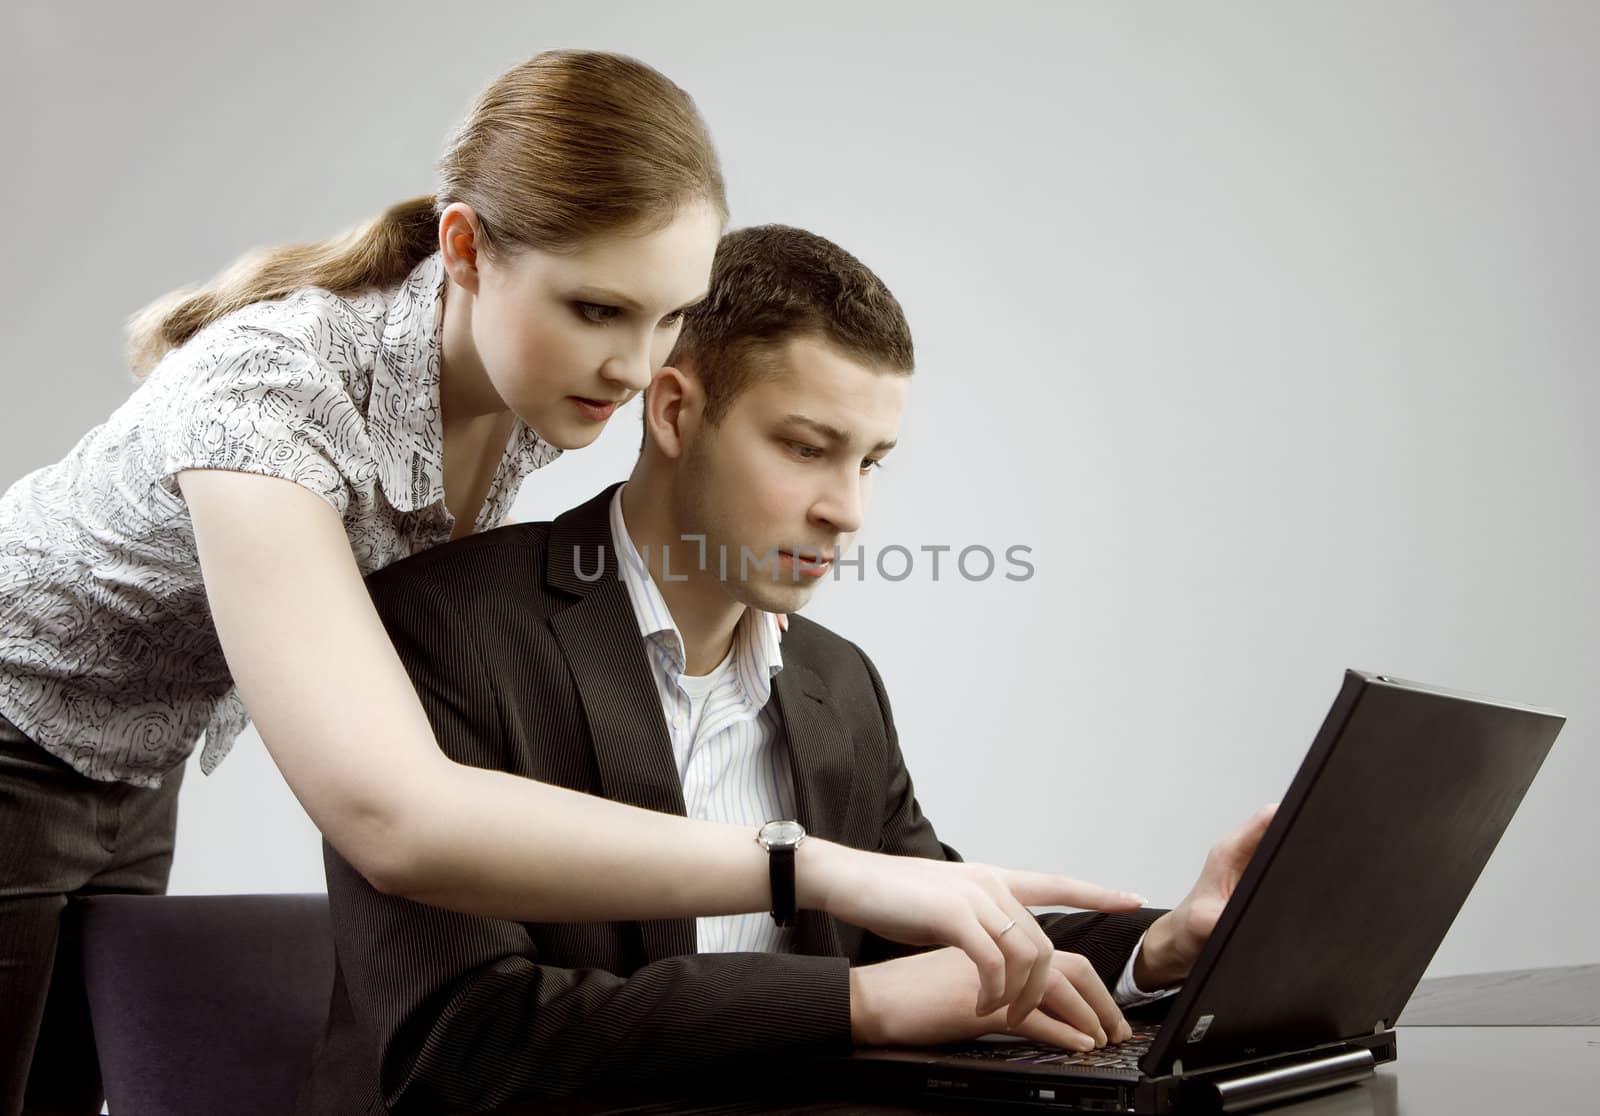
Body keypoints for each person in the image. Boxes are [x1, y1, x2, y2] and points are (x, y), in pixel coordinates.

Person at [0, 51, 1142, 1116]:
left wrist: (1158, 943)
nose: (638, 368)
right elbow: (394, 816)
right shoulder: (267, 397)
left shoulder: (533, 383)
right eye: (598, 309)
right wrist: (815, 870)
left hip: (129, 760)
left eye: (668, 316)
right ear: (463, 249)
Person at [297, 225, 1275, 1114]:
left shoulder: (835, 682)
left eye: (870, 462)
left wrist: (1166, 951)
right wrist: (853, 1004)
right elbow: (460, 1045)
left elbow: (927, 934)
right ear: (674, 412)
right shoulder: (445, 629)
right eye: (808, 449)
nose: (846, 510)